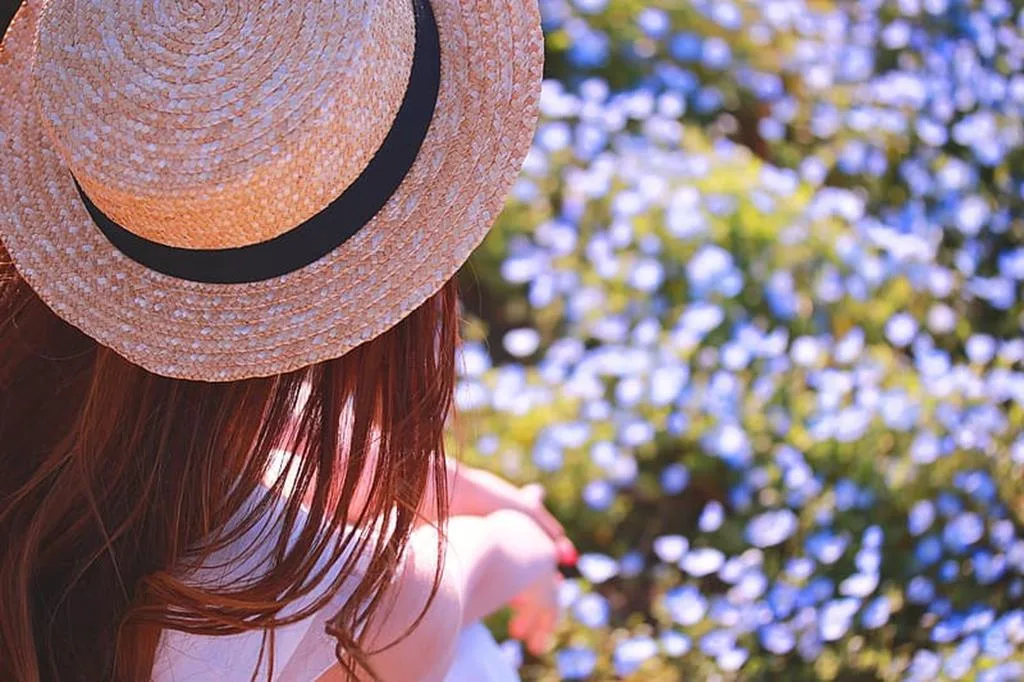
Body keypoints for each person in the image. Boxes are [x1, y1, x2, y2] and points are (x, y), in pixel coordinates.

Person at [0, 0, 572, 680]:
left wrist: (433, 482)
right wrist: (523, 546)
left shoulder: (56, 434)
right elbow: (440, 590)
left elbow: (225, 436)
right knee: (469, 662)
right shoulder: (329, 599)